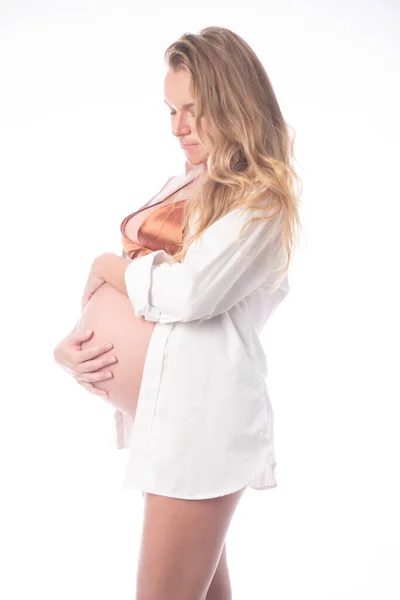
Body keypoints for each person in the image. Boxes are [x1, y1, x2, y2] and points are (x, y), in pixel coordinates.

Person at [53, 25, 302, 600]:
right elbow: (133, 285)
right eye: (171, 110)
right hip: (166, 423)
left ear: (235, 103)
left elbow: (187, 294)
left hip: (202, 426)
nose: (179, 127)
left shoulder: (259, 200)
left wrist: (103, 264)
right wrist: (69, 347)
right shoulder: (186, 183)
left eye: (196, 109)